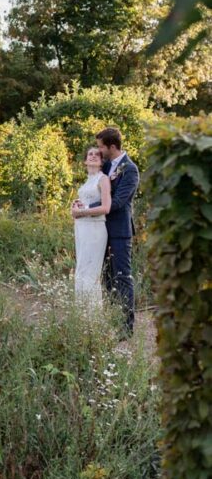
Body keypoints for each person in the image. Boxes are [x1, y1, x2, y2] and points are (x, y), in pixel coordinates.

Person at [94, 127, 140, 337]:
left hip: (120, 231)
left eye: (101, 146)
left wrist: (89, 209)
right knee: (106, 278)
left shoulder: (130, 169)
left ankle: (126, 328)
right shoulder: (104, 166)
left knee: (123, 277)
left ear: (112, 146)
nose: (99, 150)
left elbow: (119, 201)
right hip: (100, 230)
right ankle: (112, 320)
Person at [71, 147, 111, 310]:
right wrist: (75, 206)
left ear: (102, 162)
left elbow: (106, 207)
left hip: (95, 229)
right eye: (90, 154)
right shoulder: (87, 181)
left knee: (90, 272)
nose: (93, 156)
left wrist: (81, 212)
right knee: (80, 270)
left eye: (97, 154)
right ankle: (80, 315)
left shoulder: (103, 179)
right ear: (85, 160)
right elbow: (85, 203)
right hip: (81, 228)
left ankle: (92, 318)